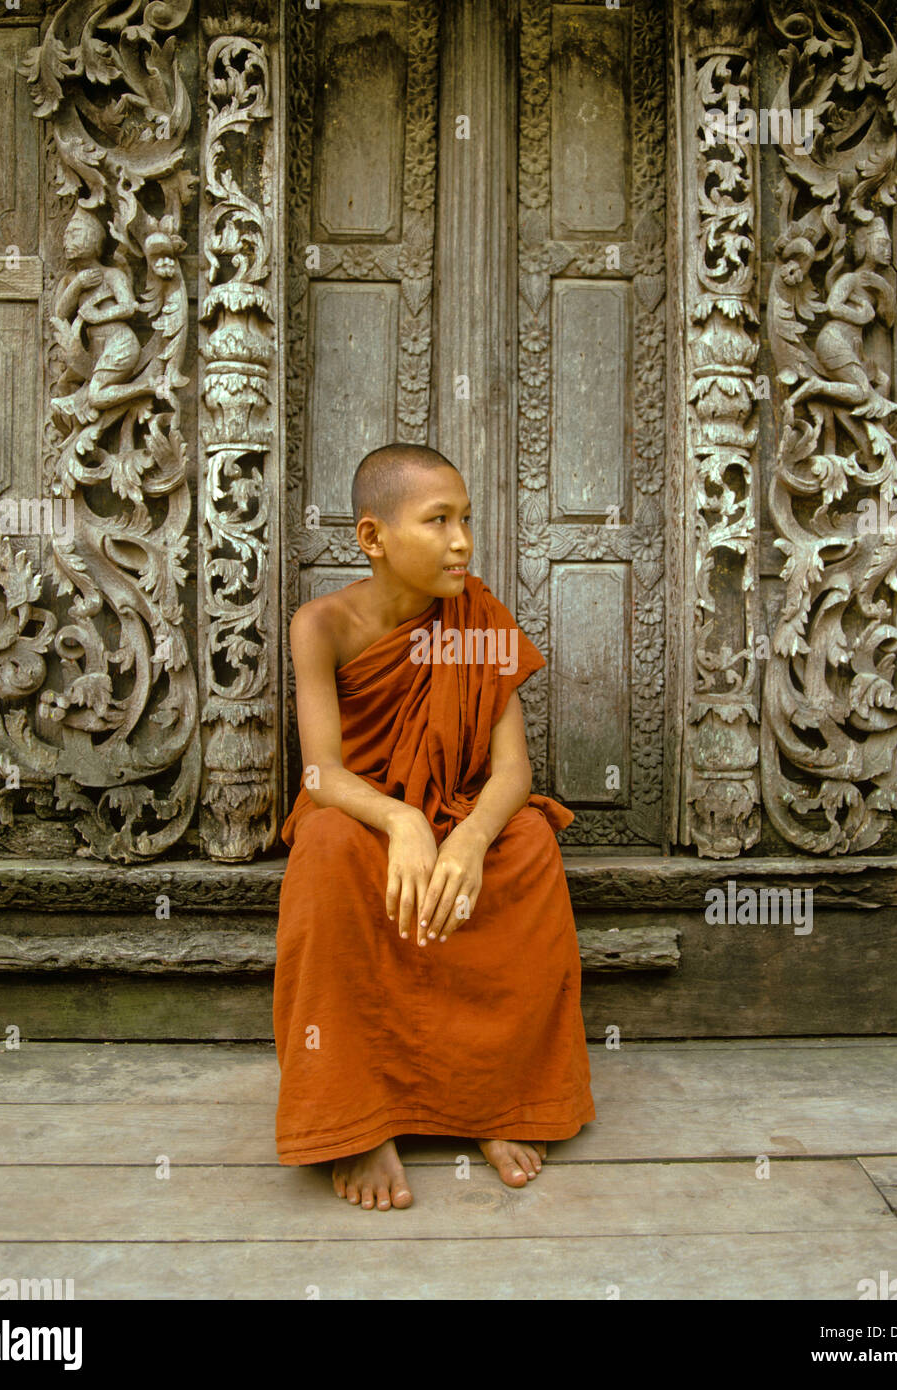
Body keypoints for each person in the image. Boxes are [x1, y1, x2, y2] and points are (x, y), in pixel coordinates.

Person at [273, 442, 595, 1210]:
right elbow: (319, 773)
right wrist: (401, 818)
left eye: (467, 520)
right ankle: (359, 1116)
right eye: (438, 521)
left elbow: (512, 772)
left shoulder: (477, 618)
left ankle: (494, 1101)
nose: (462, 541)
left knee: (531, 847)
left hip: (459, 811)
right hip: (364, 812)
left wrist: (473, 837)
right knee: (324, 845)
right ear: (372, 538)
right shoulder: (321, 624)